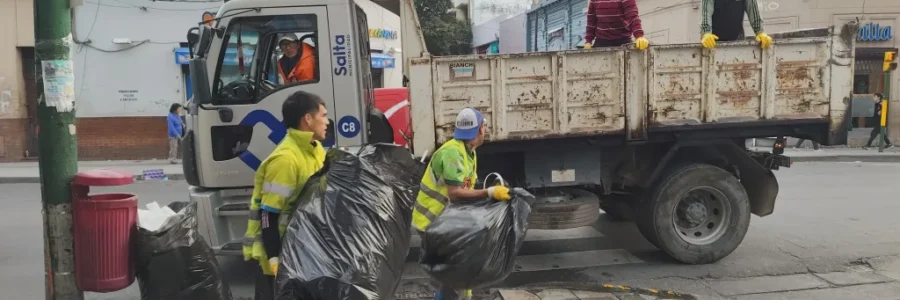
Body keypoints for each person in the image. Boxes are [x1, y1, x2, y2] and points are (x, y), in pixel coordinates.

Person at [412, 107, 512, 300]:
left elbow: (465, 188)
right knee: (454, 276)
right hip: (432, 222)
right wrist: (489, 192)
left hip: (446, 221)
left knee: (460, 273)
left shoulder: (468, 152)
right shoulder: (452, 153)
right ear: (480, 130)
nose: (485, 129)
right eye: (484, 125)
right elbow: (456, 194)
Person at [243, 91, 329, 300]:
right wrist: (274, 259)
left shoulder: (315, 150)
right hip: (280, 257)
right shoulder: (286, 160)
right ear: (308, 119)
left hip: (301, 250)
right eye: (323, 115)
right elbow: (268, 214)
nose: (327, 121)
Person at [699, 0, 773, 49]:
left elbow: (754, 12)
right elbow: (705, 13)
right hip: (713, 43)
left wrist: (760, 32)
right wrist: (706, 33)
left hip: (738, 42)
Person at [583, 0, 649, 50]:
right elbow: (591, 22)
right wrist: (588, 41)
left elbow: (632, 16)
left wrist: (639, 36)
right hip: (601, 42)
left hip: (623, 41)